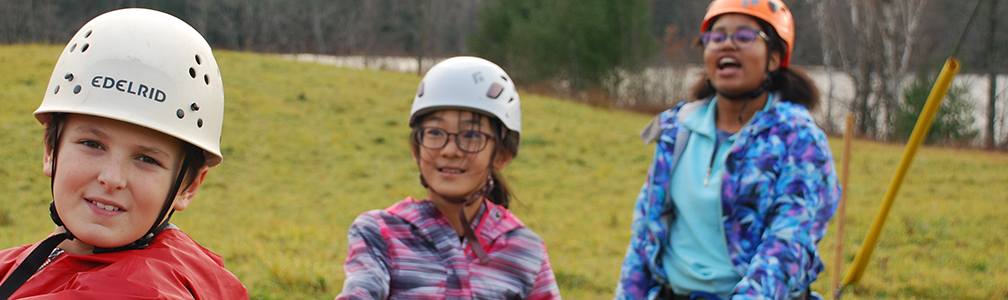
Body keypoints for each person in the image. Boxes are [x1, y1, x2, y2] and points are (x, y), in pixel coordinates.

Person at [0, 8, 248, 300]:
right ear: (50, 149)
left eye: (147, 159)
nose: (111, 178)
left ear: (187, 186)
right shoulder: (10, 268)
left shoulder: (149, 290)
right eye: (93, 144)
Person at [616, 0, 840, 299]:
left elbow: (787, 246)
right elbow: (645, 235)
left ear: (773, 58)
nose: (727, 45)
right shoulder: (678, 130)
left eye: (744, 37)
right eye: (717, 37)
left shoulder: (799, 141)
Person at [336, 57, 561, 300]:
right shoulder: (380, 233)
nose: (450, 150)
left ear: (502, 154)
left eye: (471, 135)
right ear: (416, 149)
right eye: (434, 132)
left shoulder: (525, 250)